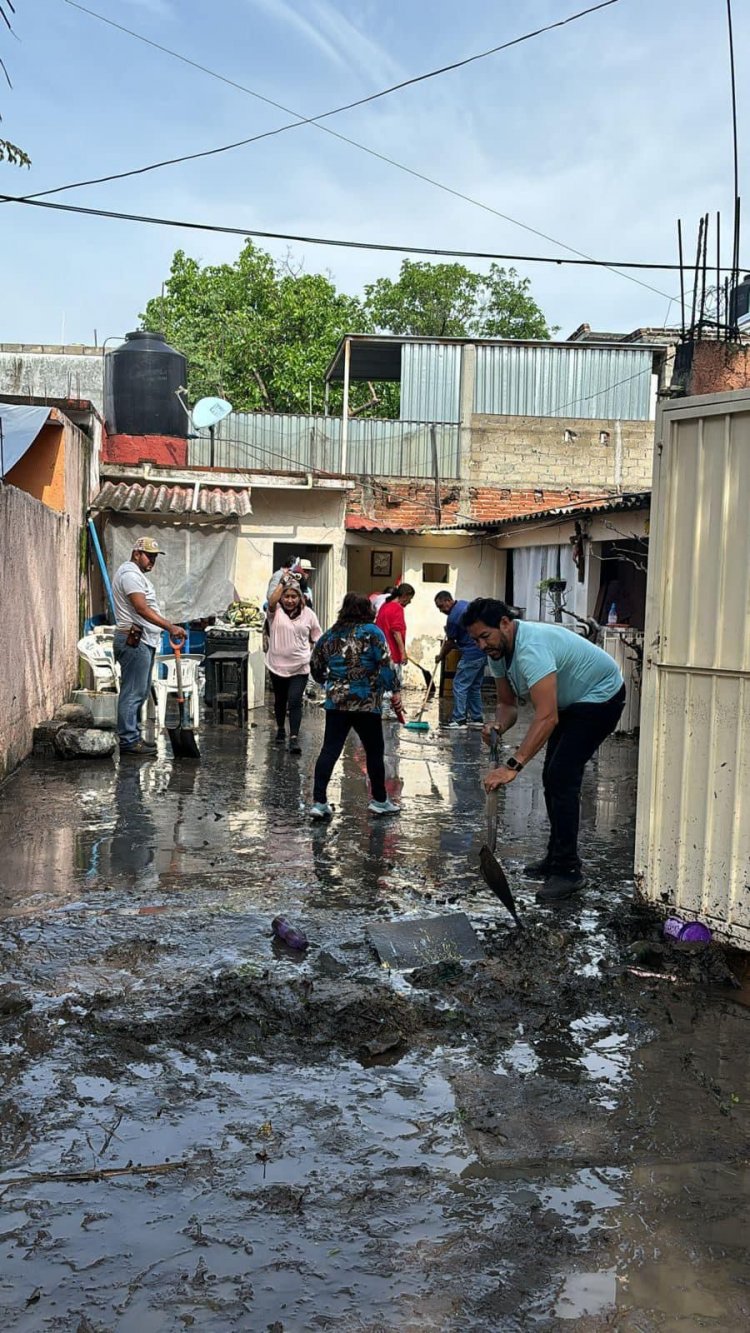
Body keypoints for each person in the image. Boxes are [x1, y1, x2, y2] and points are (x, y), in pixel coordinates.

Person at [463, 598, 626, 903]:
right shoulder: (498, 653)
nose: (482, 645)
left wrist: (513, 765)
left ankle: (568, 871)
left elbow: (547, 716)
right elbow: (508, 705)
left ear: (504, 624)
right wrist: (498, 726)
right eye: (475, 640)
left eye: (485, 637)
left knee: (562, 776)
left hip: (601, 695)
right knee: (553, 777)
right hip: (571, 701)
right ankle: (555, 857)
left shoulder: (530, 649)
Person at [309, 593, 402, 820]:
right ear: (367, 611)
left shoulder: (331, 635)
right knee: (373, 751)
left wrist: (329, 684)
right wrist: (394, 690)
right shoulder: (372, 632)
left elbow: (315, 664)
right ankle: (379, 800)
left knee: (330, 750)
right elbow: (386, 663)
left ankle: (319, 802)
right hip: (366, 702)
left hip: (337, 701)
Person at [112, 536, 186, 756]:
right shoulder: (130, 575)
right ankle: (128, 740)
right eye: (149, 556)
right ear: (136, 554)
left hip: (141, 640)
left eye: (154, 556)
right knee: (133, 692)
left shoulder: (135, 575)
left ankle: (133, 737)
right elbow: (142, 609)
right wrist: (170, 627)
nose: (152, 561)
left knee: (140, 692)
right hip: (134, 640)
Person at [265, 574, 322, 753]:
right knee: (280, 700)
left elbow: (317, 637)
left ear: (300, 598)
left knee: (295, 700)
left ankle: (294, 738)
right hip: (277, 665)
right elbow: (271, 601)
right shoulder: (275, 612)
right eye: (287, 596)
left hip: (300, 666)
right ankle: (281, 728)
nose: (290, 600)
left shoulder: (309, 615)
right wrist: (282, 582)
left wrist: (316, 655)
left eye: (293, 596)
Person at [434, 590, 487, 730]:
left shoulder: (452, 617)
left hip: (470, 654)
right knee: (474, 686)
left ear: (448, 601)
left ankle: (459, 720)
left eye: (441, 607)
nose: (441, 611)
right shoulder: (464, 604)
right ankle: (476, 718)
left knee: (459, 685)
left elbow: (450, 642)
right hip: (482, 651)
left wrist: (440, 656)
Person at [375, 584, 415, 713]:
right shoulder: (397, 608)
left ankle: (384, 708)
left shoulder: (384, 607)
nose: (410, 602)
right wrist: (403, 652)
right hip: (393, 652)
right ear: (404, 596)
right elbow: (396, 631)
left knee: (383, 681)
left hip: (381, 652)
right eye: (410, 598)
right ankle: (389, 710)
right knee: (393, 683)